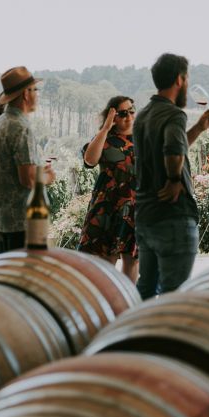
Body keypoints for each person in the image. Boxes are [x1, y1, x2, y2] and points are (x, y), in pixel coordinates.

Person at [133, 53, 209, 299]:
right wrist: (174, 180)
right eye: (187, 78)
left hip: (146, 215)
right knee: (174, 296)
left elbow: (174, 147)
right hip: (172, 216)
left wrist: (199, 128)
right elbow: (172, 152)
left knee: (146, 289)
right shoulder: (174, 114)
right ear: (180, 80)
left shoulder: (143, 115)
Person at [0, 66, 55, 253]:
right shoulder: (21, 127)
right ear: (26, 94)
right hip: (22, 221)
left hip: (2, 219)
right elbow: (28, 179)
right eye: (35, 90)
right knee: (25, 277)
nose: (37, 95)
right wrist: (47, 177)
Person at [77, 96, 138, 281]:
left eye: (131, 110)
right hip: (108, 206)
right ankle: (106, 302)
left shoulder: (143, 138)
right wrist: (105, 128)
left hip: (135, 206)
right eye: (122, 113)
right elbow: (90, 160)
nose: (128, 116)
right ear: (113, 116)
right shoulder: (104, 138)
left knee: (132, 260)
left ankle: (128, 303)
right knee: (106, 260)